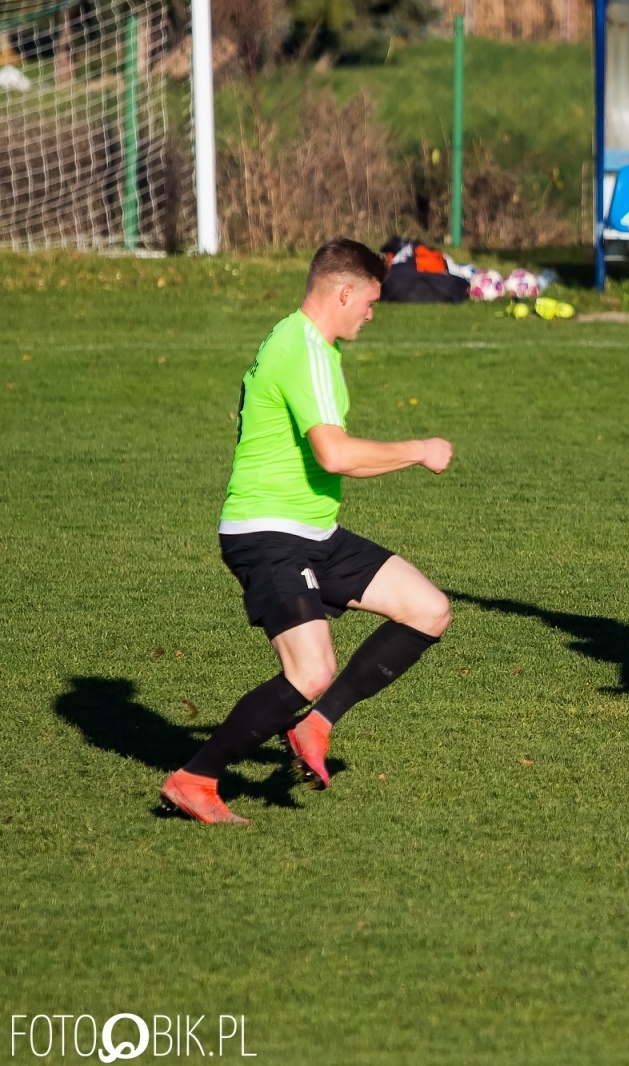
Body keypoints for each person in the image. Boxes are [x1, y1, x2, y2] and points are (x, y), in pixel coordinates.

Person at [160, 239, 453, 824]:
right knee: (309, 671)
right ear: (344, 292)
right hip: (267, 533)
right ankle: (196, 778)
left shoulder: (302, 341)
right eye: (370, 301)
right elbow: (335, 454)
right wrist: (420, 450)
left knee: (428, 609)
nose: (372, 313)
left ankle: (313, 728)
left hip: (312, 532)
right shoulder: (304, 349)